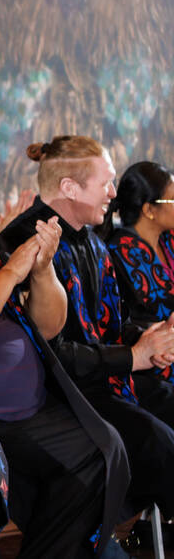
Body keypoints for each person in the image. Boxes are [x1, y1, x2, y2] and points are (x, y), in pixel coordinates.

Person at [0, 143, 129, 559]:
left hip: (31, 407)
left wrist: (43, 268)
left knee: (102, 450)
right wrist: (14, 268)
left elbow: (48, 326)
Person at [0, 136, 174, 519]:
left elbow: (113, 324)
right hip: (61, 396)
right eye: (106, 183)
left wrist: (151, 340)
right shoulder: (24, 243)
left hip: (105, 379)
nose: (114, 193)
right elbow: (46, 353)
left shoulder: (92, 241)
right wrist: (132, 355)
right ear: (69, 187)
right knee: (159, 443)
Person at [106, 161, 174, 425]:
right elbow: (159, 310)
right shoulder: (124, 249)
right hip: (153, 357)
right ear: (149, 210)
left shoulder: (167, 240)